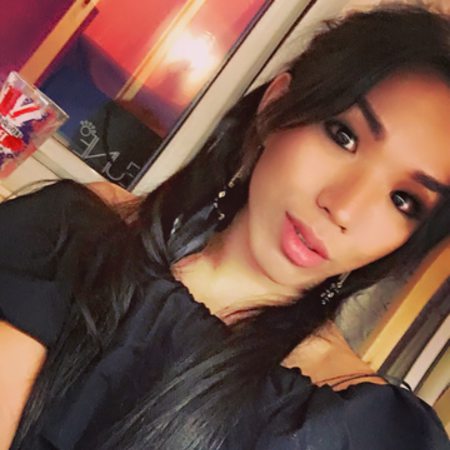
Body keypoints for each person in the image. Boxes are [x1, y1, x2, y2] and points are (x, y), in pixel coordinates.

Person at [1, 5, 450, 450]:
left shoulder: (355, 430)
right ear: (275, 109)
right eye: (343, 136)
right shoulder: (72, 234)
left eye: (403, 200)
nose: (344, 209)